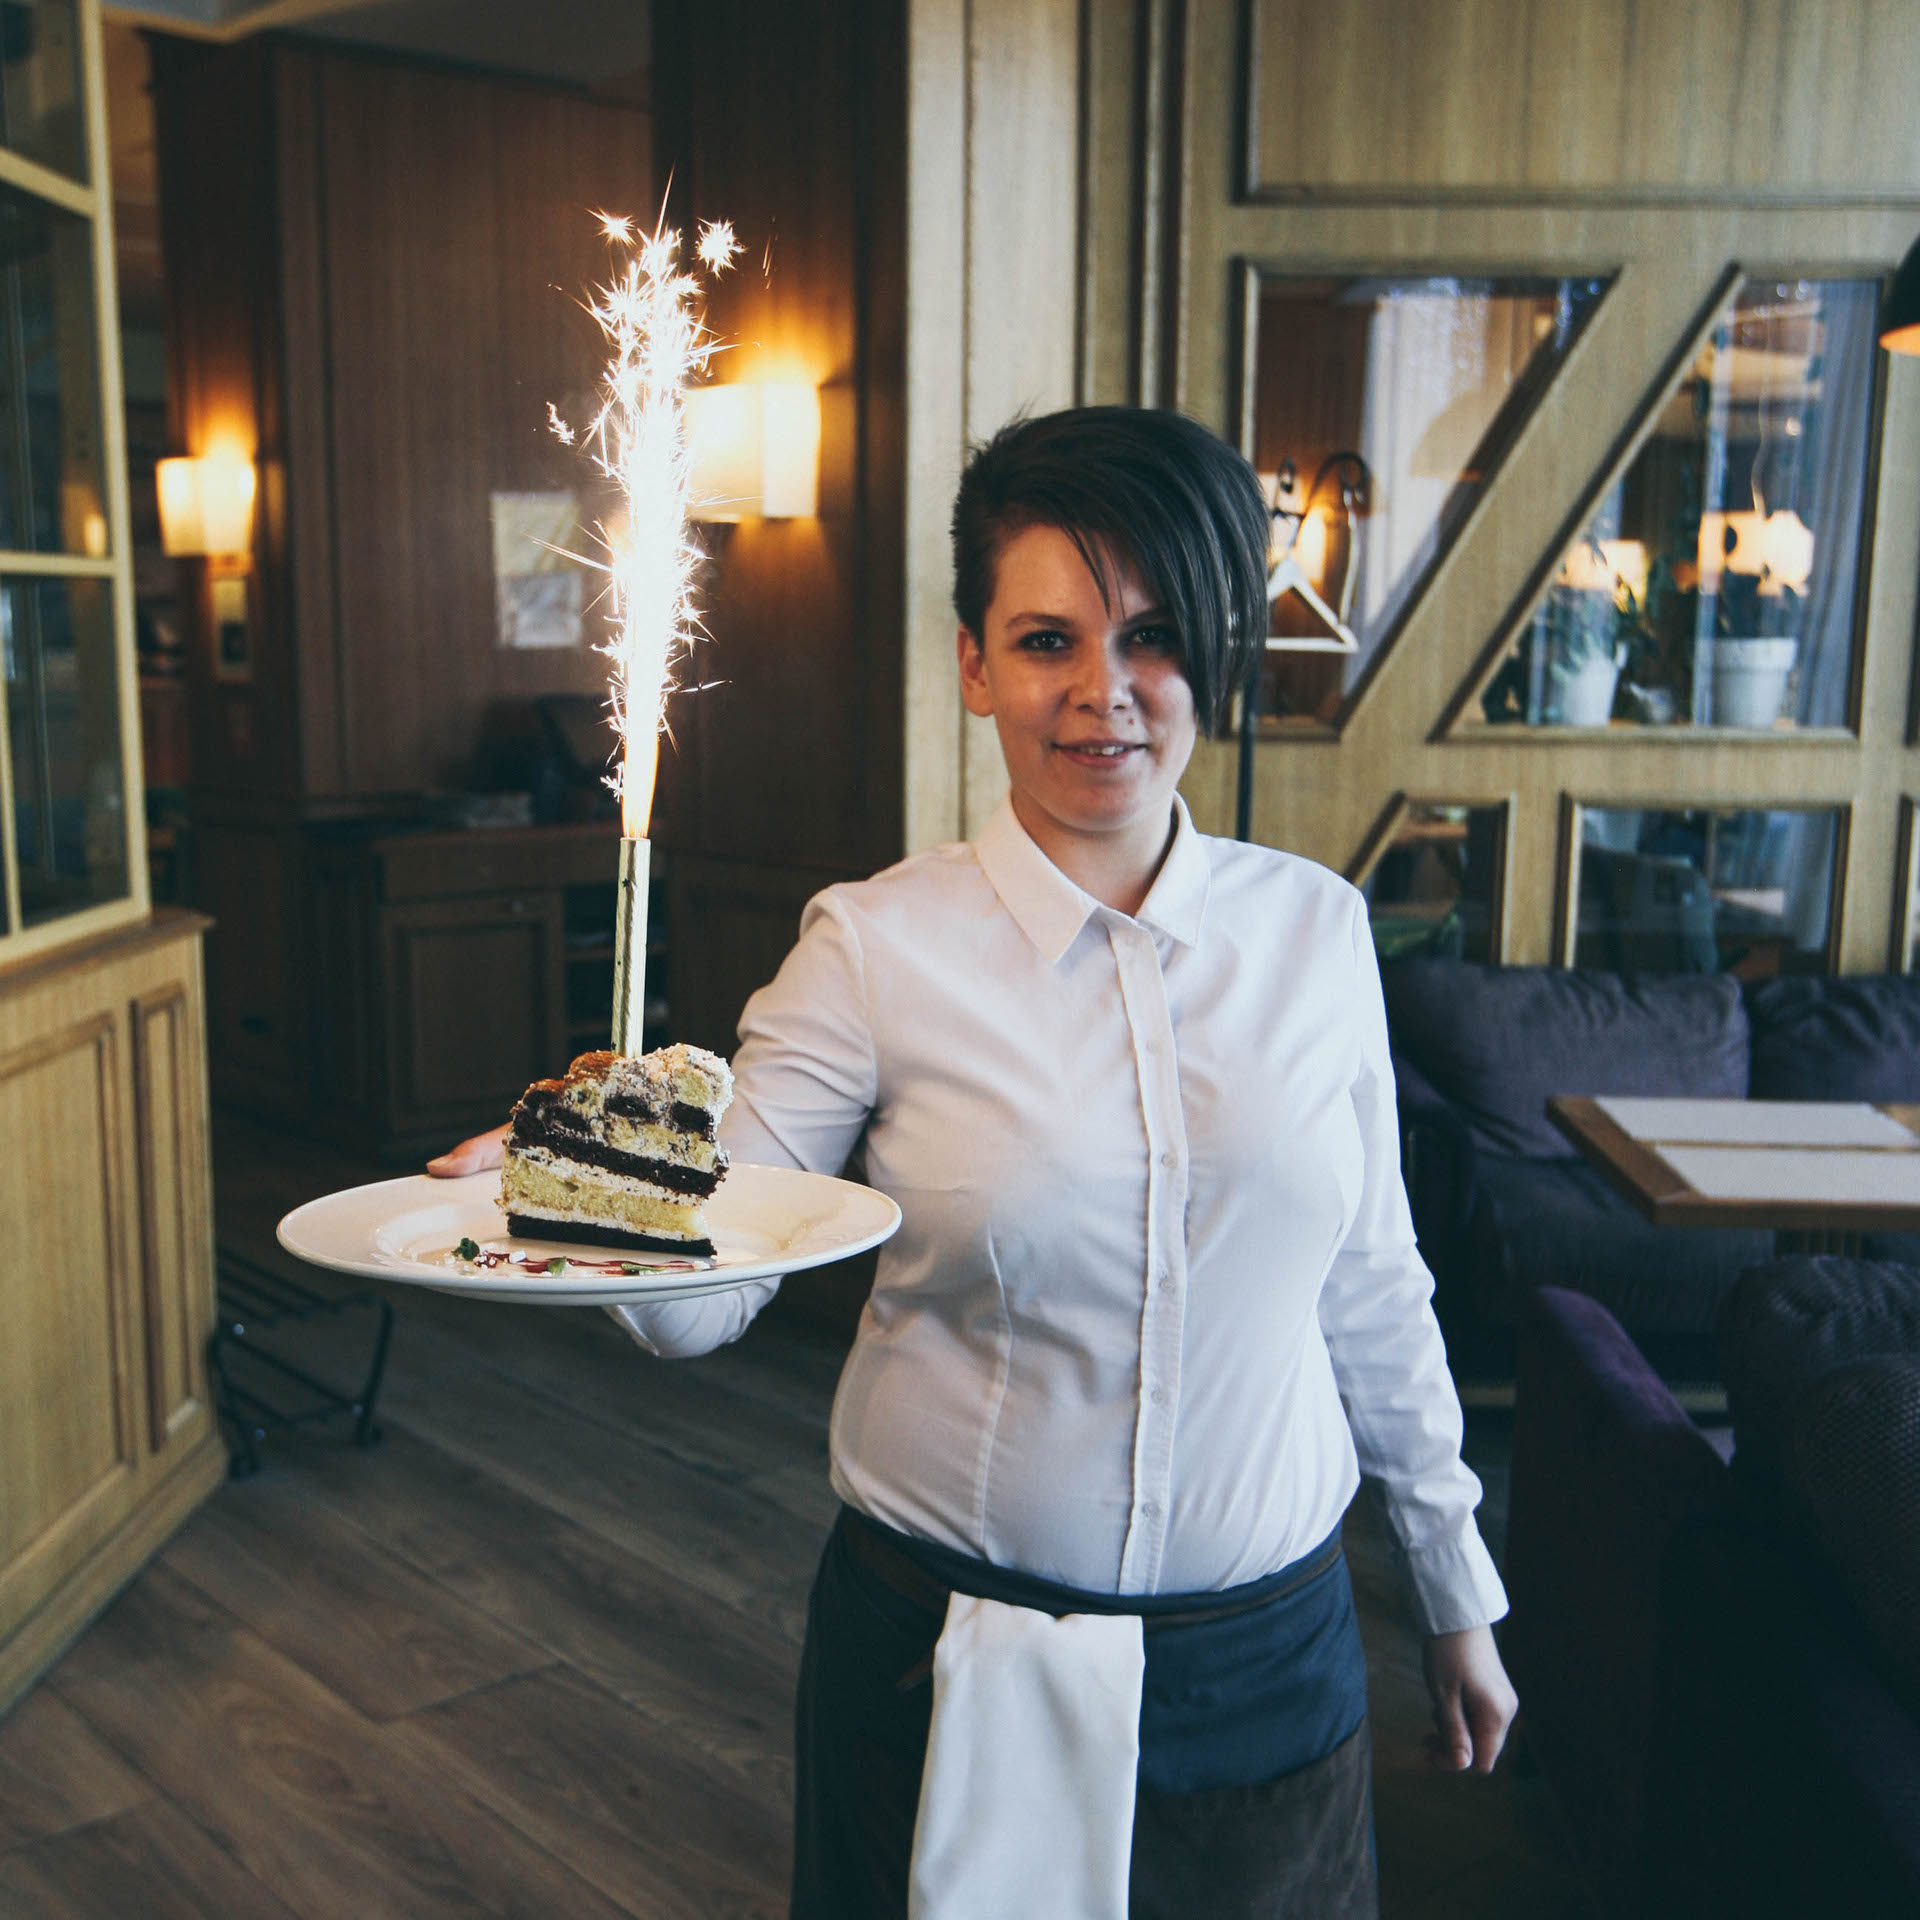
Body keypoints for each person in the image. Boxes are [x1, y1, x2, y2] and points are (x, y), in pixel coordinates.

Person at [430, 405, 1517, 1918]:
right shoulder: (872, 947)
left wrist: (1457, 1590)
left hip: (1268, 1663)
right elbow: (699, 1307)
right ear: (974, 664)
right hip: (946, 1663)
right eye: (1046, 640)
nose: (1102, 692)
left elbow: (1374, 1284)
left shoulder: (1318, 932)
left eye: (1152, 637)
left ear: (1216, 652)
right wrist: (593, 1189)